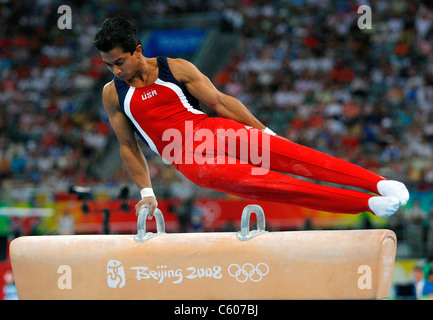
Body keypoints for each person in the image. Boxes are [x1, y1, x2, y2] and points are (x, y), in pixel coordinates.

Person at [93, 18, 409, 219]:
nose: (116, 71)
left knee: (297, 156)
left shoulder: (175, 68)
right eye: (109, 66)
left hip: (212, 130)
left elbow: (219, 101)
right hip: (185, 157)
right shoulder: (113, 94)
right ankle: (364, 204)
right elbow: (127, 145)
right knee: (271, 184)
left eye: (119, 62)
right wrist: (147, 192)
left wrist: (265, 132)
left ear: (137, 50)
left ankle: (379, 183)